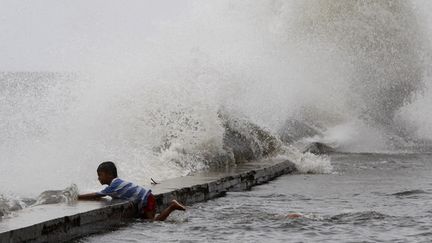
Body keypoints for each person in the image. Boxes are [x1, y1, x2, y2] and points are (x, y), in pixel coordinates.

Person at [78, 161, 186, 221]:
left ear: (110, 175)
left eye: (100, 175)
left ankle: (172, 206)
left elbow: (96, 195)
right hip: (147, 197)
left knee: (153, 223)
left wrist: (77, 197)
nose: (98, 178)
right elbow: (102, 195)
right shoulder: (117, 183)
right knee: (145, 221)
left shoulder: (114, 185)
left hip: (147, 199)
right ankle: (172, 207)